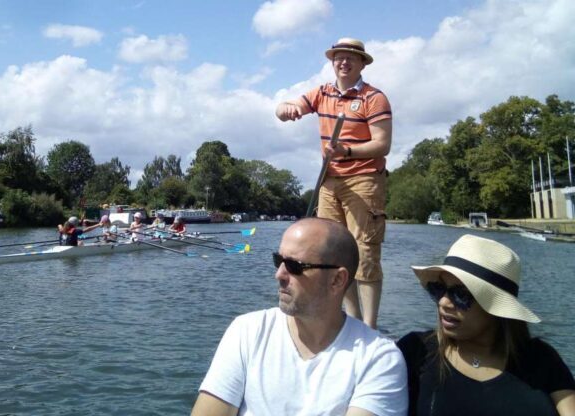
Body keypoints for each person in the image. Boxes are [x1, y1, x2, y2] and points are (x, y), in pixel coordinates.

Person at [192, 218, 407, 416]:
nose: (279, 274)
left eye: (294, 266)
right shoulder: (247, 331)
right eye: (278, 260)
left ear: (337, 280)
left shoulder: (378, 358)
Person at [275, 37, 392, 329]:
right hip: (330, 180)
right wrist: (285, 109)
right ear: (332, 62)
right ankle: (352, 320)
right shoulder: (322, 93)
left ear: (362, 63)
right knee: (336, 252)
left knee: (365, 252)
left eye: (351, 57)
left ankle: (370, 326)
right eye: (339, 57)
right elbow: (286, 107)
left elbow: (382, 144)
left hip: (364, 179)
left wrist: (346, 151)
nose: (344, 62)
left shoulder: (373, 98)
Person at [397, 234, 575, 416]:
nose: (443, 302)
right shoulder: (416, 351)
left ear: (497, 308)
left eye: (461, 295)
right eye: (439, 289)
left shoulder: (542, 359)